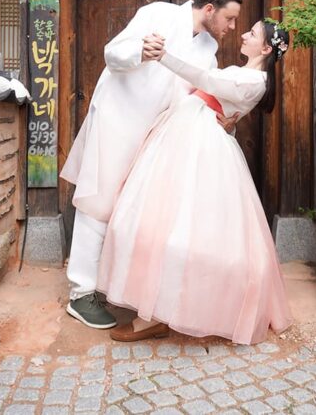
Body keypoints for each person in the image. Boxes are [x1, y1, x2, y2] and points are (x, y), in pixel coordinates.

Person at [60, 0, 243, 329]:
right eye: (229, 18)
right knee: (97, 203)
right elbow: (112, 54)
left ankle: (113, 283)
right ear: (209, 9)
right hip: (118, 120)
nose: (231, 27)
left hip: (159, 133)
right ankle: (81, 293)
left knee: (133, 207)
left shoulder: (208, 48)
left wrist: (225, 119)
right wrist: (140, 51)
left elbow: (200, 91)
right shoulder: (157, 13)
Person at [98, 20, 292, 345]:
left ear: (267, 49)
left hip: (200, 149)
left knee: (180, 227)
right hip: (189, 135)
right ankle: (154, 310)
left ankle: (161, 314)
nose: (243, 34)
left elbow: (206, 79)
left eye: (252, 33)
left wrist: (164, 56)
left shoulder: (255, 81)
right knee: (162, 222)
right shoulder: (245, 73)